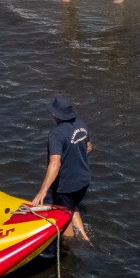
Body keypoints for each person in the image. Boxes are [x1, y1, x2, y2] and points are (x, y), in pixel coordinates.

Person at [25, 96, 93, 241]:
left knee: (62, 216)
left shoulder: (56, 134)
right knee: (71, 206)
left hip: (67, 185)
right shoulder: (81, 124)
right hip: (84, 180)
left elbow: (55, 164)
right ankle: (85, 237)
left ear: (55, 115)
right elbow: (89, 147)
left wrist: (43, 190)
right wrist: (74, 155)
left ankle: (69, 245)